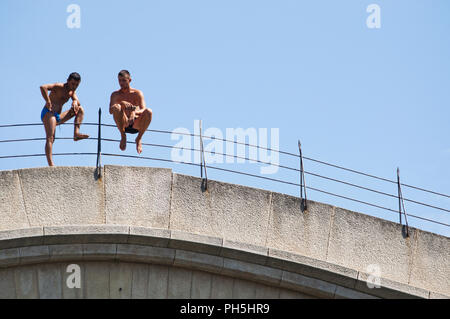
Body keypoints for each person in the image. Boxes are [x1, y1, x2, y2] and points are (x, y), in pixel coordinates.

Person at [40, 72, 89, 166]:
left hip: (58, 116)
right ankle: (51, 164)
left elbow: (78, 102)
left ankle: (76, 134)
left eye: (77, 85)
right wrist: (47, 101)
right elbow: (43, 87)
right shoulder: (59, 86)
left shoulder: (72, 92)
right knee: (51, 138)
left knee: (80, 109)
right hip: (48, 113)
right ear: (68, 81)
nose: (74, 86)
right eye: (73, 84)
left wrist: (74, 101)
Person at [109, 70, 153, 154]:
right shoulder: (115, 94)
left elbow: (143, 109)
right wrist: (121, 104)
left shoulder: (137, 93)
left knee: (149, 111)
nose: (121, 83)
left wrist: (134, 113)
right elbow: (111, 111)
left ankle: (139, 138)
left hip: (136, 123)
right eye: (119, 80)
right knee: (116, 107)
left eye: (124, 80)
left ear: (129, 80)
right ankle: (123, 136)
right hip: (123, 123)